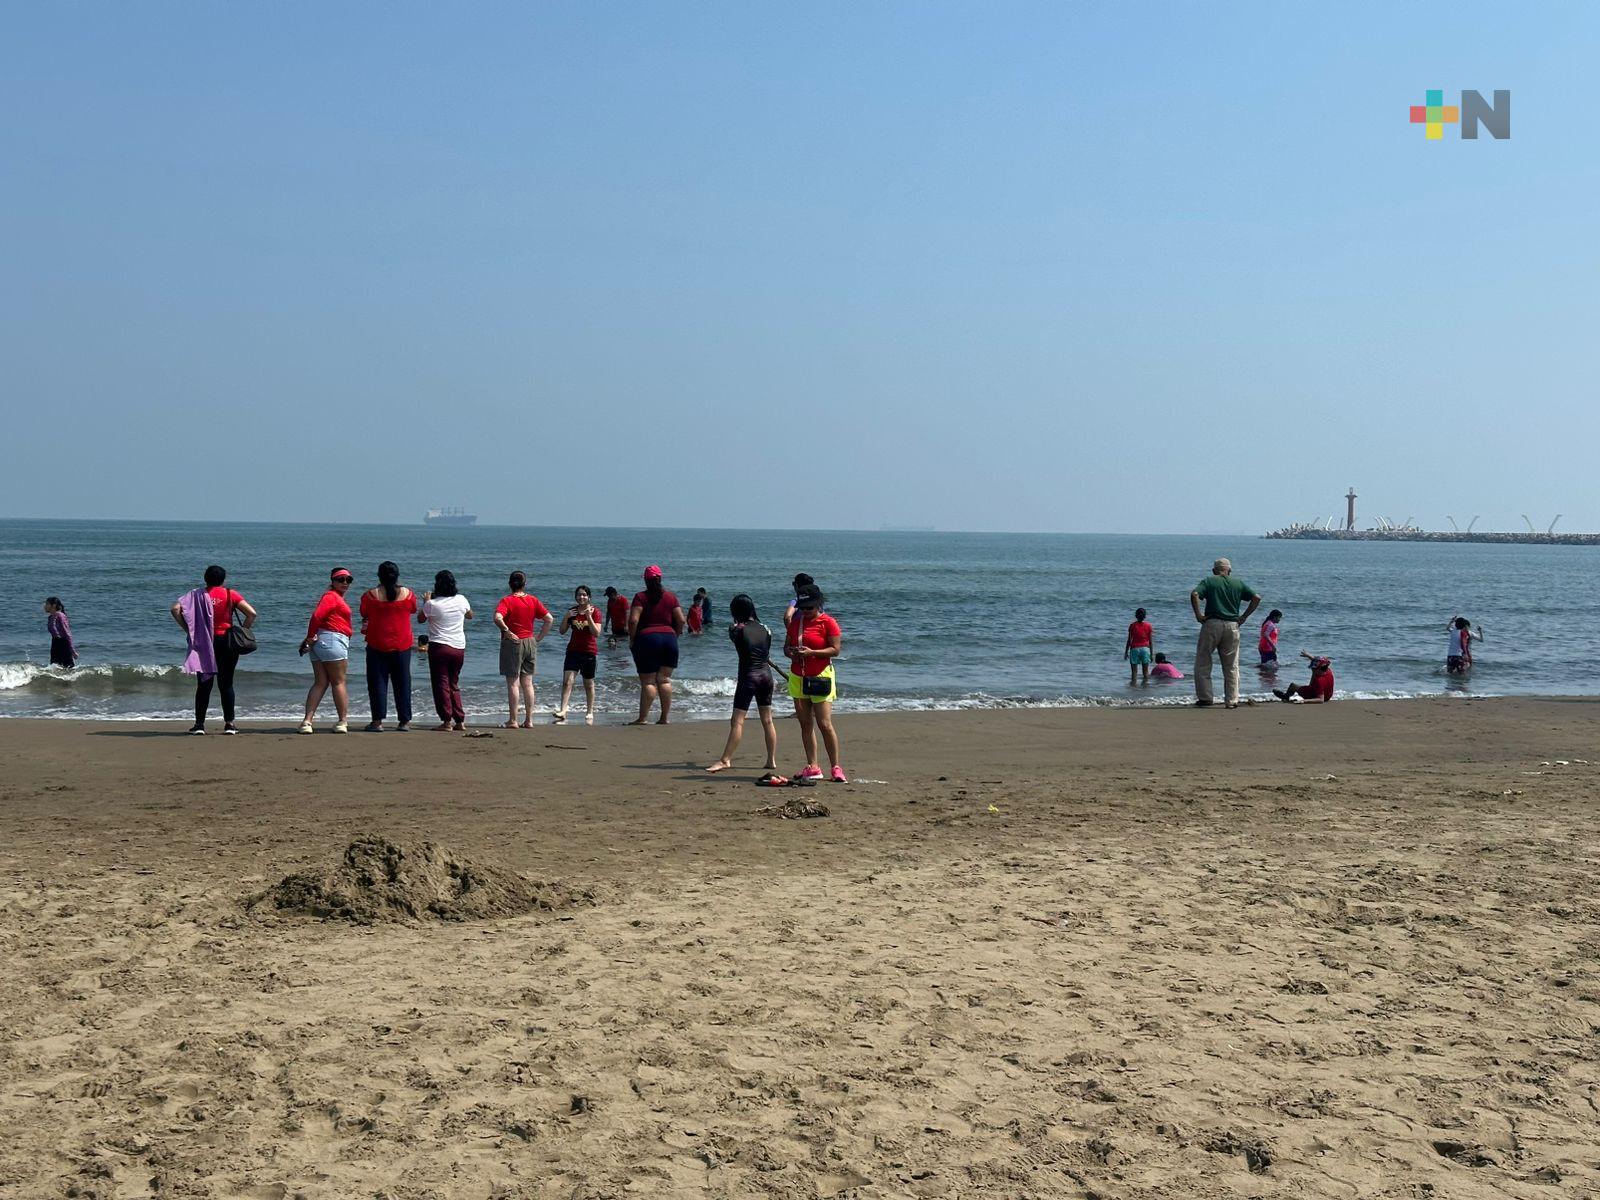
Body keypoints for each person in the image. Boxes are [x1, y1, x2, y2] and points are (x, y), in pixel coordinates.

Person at [170, 565, 256, 735]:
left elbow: (175, 609)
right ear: (223, 580)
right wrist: (242, 630)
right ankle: (230, 724)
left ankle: (199, 725)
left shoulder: (195, 595)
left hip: (204, 642)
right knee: (227, 683)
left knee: (204, 684)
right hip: (227, 642)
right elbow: (252, 613)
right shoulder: (230, 594)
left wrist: (188, 630)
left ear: (205, 578)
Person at [706, 594, 778, 776]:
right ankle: (771, 760)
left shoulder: (736, 629)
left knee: (737, 720)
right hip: (766, 677)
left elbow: (740, 642)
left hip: (749, 677)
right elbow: (764, 649)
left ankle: (725, 760)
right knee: (767, 720)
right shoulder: (767, 629)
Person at [785, 584, 846, 782]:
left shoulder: (828, 622)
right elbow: (786, 647)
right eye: (803, 608)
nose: (806, 611)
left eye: (810, 607)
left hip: (821, 676)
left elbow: (835, 650)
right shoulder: (796, 623)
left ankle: (835, 767)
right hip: (798, 676)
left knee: (824, 723)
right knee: (805, 724)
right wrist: (792, 653)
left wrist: (812, 653)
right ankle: (813, 766)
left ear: (818, 604)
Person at [1189, 558, 1261, 709]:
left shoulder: (1209, 581)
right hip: (1232, 625)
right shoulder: (1238, 583)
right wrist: (1244, 617)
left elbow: (1195, 594)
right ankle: (1232, 700)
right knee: (1231, 665)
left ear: (1214, 570)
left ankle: (1206, 697)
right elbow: (1256, 598)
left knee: (1203, 661)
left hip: (1212, 623)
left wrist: (1198, 615)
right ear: (1229, 570)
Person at [359, 561, 417, 732]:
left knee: (377, 682)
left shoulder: (370, 595)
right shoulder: (408, 594)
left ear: (379, 576)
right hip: (402, 643)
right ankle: (404, 721)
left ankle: (377, 721)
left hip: (377, 642)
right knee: (403, 682)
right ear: (397, 576)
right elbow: (413, 609)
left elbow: (364, 612)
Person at [298, 567, 354, 733]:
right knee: (339, 681)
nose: (345, 582)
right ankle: (342, 721)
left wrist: (311, 638)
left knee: (321, 682)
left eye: (348, 580)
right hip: (332, 640)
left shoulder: (332, 597)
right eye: (340, 579)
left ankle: (307, 722)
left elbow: (318, 619)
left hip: (322, 640)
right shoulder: (331, 596)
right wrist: (309, 637)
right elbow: (317, 616)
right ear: (332, 581)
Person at [628, 565, 685, 725]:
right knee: (664, 679)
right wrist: (675, 635)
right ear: (660, 578)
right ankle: (664, 718)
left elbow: (633, 620)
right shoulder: (671, 597)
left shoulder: (640, 597)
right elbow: (681, 620)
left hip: (648, 639)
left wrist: (632, 639)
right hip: (669, 639)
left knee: (648, 681)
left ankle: (643, 718)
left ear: (645, 580)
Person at [494, 571, 553, 728]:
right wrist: (539, 637)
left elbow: (498, 617)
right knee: (528, 683)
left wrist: (506, 630)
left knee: (513, 683)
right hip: (530, 641)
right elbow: (549, 619)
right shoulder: (532, 600)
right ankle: (529, 720)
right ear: (524, 584)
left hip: (513, 643)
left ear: (509, 584)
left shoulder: (507, 601)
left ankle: (513, 720)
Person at [419, 570, 473, 731]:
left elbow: (420, 619)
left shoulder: (432, 604)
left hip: (439, 646)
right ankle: (460, 720)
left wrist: (426, 601)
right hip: (458, 646)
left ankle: (446, 720)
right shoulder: (461, 599)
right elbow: (470, 615)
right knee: (453, 683)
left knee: (441, 683)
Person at [555, 586, 601, 724]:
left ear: (589, 597)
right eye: (579, 595)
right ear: (576, 597)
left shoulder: (595, 611)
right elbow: (562, 631)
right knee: (567, 682)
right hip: (573, 651)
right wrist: (566, 617)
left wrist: (588, 616)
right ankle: (563, 710)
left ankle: (589, 711)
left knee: (588, 683)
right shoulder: (572, 611)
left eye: (584, 595)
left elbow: (596, 633)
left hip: (589, 652)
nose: (582, 597)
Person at [1124, 607, 1154, 685]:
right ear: (1145, 616)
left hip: (1134, 649)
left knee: (1134, 672)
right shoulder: (1149, 626)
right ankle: (1145, 688)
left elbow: (1129, 640)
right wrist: (1151, 654)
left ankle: (1134, 688)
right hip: (1145, 649)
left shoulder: (1132, 626)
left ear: (1136, 616)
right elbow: (1150, 641)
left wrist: (1126, 652)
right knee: (1145, 672)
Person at [44, 598, 76, 668]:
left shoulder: (61, 616)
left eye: (47, 604)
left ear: (54, 605)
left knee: (69, 668)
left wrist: (72, 650)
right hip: (55, 643)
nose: (44, 606)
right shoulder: (50, 617)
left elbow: (67, 633)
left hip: (63, 643)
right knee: (54, 667)